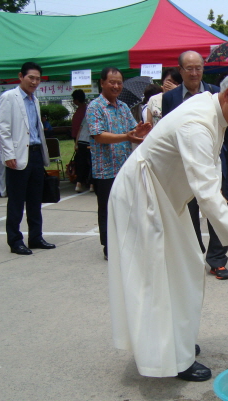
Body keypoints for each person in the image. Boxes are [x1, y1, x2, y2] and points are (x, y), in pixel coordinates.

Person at [108, 67, 228, 381]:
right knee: (156, 278)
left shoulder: (213, 110)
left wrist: (219, 200)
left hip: (164, 197)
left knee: (186, 266)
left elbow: (209, 176)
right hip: (142, 196)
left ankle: (178, 341)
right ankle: (166, 358)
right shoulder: (197, 123)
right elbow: (207, 196)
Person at [162, 50, 228, 280]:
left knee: (216, 208)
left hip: (212, 162)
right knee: (188, 212)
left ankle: (217, 260)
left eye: (198, 68)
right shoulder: (170, 98)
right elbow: (168, 129)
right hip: (183, 166)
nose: (194, 73)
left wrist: (220, 154)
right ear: (180, 70)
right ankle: (193, 256)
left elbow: (227, 127)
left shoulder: (215, 92)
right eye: (189, 68)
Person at [86, 66, 151, 260]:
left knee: (127, 207)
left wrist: (140, 131)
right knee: (108, 209)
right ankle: (109, 246)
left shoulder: (123, 106)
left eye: (119, 83)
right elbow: (99, 135)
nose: (116, 86)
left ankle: (127, 242)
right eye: (112, 82)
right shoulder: (95, 107)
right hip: (105, 169)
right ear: (102, 83)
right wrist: (126, 137)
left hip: (125, 167)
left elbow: (133, 129)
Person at [0, 61, 56, 255]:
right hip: (18, 154)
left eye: (38, 79)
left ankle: (36, 237)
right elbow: (3, 129)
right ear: (21, 76)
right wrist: (9, 154)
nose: (34, 82)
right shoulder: (9, 97)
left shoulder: (34, 100)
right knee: (16, 200)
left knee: (35, 199)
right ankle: (15, 241)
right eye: (31, 78)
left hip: (36, 153)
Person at [70, 89, 92, 193]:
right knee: (90, 163)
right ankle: (90, 184)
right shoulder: (87, 111)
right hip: (88, 141)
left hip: (81, 140)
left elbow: (79, 128)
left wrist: (76, 143)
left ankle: (80, 182)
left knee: (82, 162)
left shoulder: (84, 112)